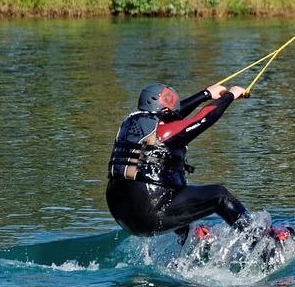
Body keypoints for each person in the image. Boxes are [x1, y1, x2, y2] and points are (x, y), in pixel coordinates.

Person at [106, 82, 257, 243]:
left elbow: (175, 114)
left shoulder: (131, 124)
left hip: (121, 213)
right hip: (150, 212)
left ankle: (193, 240)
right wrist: (230, 95)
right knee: (219, 196)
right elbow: (206, 118)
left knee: (180, 203)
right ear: (165, 112)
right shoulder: (165, 132)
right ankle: (257, 239)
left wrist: (205, 94)